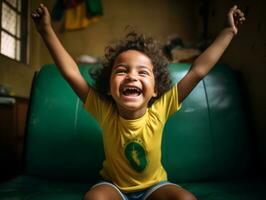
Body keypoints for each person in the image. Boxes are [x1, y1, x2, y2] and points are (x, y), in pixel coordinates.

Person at [31, 4, 245, 200]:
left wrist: (228, 32)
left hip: (154, 187)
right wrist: (46, 30)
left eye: (143, 72)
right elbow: (71, 73)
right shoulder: (104, 111)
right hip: (113, 187)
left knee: (186, 199)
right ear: (108, 87)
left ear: (155, 90)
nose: (132, 76)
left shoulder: (161, 109)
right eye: (122, 70)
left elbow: (198, 70)